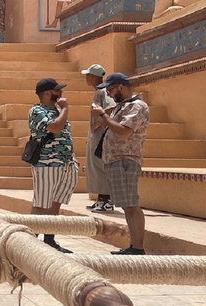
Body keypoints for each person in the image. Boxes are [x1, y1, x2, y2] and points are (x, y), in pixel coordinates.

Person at [91, 73, 150, 255]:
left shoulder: (136, 106)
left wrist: (103, 116)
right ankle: (134, 246)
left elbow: (124, 132)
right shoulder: (121, 107)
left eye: (111, 90)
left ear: (121, 87)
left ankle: (138, 247)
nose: (109, 94)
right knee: (126, 205)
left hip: (126, 160)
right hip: (116, 160)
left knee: (131, 204)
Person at [27, 78, 79, 254]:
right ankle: (28, 244)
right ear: (47, 93)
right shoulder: (37, 111)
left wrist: (73, 156)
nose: (61, 94)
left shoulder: (56, 110)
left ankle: (49, 240)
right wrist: (65, 108)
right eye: (57, 91)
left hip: (65, 164)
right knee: (41, 204)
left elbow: (64, 134)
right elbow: (55, 128)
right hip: (47, 164)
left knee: (55, 204)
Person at [82, 64, 115, 212]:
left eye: (88, 75)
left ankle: (107, 200)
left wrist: (99, 123)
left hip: (101, 136)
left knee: (101, 166)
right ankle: (101, 199)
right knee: (95, 166)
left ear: (94, 76)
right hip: (96, 136)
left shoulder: (103, 91)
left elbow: (111, 107)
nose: (86, 78)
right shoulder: (98, 92)